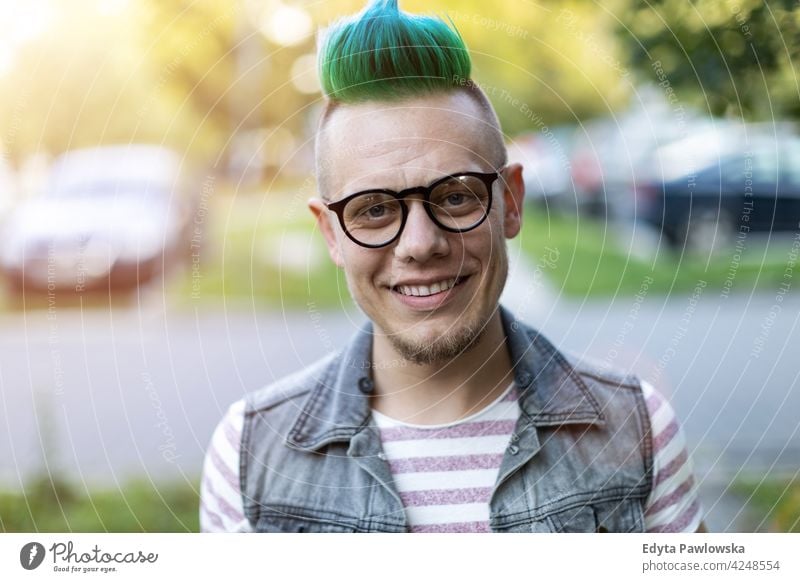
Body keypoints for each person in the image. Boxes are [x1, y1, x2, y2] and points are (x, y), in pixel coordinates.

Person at [200, 0, 705, 533]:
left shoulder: (638, 429)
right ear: (330, 232)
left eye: (456, 197)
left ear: (510, 202)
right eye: (373, 209)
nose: (420, 244)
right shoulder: (250, 456)